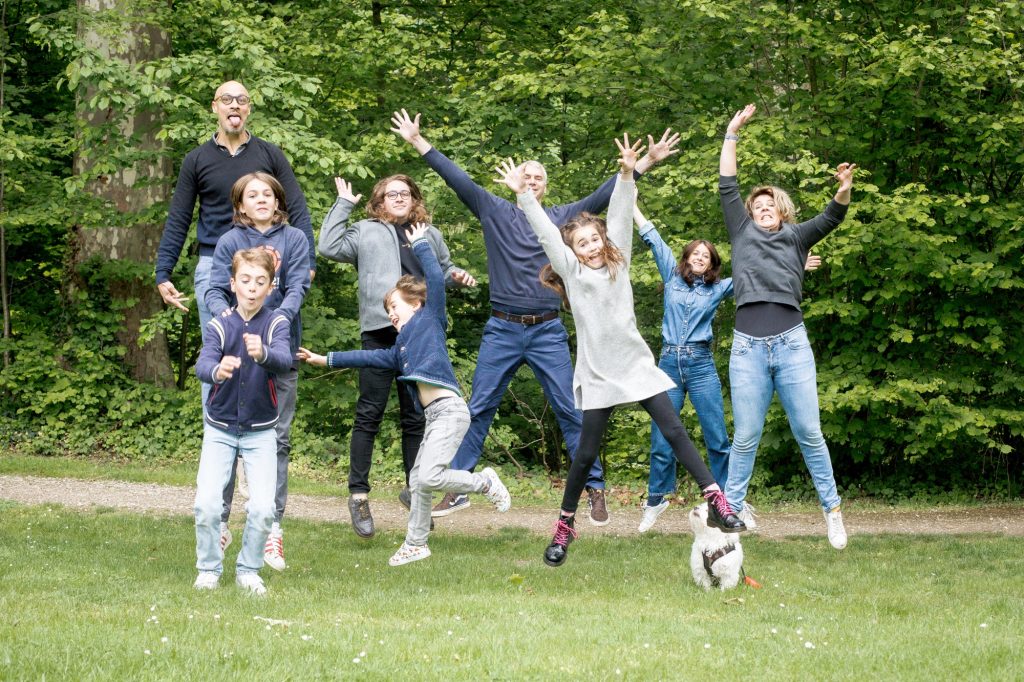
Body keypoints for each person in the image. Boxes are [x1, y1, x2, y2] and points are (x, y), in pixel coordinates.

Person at [391, 110, 680, 525]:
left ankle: (594, 488)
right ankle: (458, 487)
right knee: (479, 406)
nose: (531, 181)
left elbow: (607, 195)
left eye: (538, 177)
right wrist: (419, 141)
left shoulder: (561, 217)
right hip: (502, 328)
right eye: (525, 176)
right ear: (514, 184)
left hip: (546, 329)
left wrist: (644, 163)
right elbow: (458, 181)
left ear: (545, 186)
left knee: (571, 407)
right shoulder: (493, 210)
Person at [496, 134, 745, 568]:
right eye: (583, 243)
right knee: (586, 454)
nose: (591, 247)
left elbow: (620, 217)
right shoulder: (571, 273)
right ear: (572, 252)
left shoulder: (619, 260)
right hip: (597, 373)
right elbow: (547, 236)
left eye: (595, 240)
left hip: (635, 366)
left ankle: (717, 501)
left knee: (675, 432)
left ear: (604, 242)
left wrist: (628, 172)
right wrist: (524, 199)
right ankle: (564, 526)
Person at [299, 225, 511, 566]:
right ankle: (416, 543)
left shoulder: (430, 320)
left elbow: (437, 281)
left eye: (394, 306)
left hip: (451, 411)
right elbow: (368, 357)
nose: (391, 315)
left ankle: (483, 483)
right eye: (387, 311)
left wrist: (421, 245)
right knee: (418, 480)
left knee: (428, 476)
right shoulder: (400, 348)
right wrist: (325, 359)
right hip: (434, 417)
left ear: (416, 303)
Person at [633, 207, 822, 533]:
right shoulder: (671, 277)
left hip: (701, 365)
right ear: (686, 258)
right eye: (695, 254)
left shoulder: (719, 288)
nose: (700, 258)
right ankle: (656, 498)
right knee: (662, 438)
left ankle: (728, 503)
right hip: (667, 366)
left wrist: (794, 263)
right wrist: (631, 200)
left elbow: (759, 277)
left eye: (706, 256)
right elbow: (653, 238)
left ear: (712, 263)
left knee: (717, 439)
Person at [719, 103, 855, 550]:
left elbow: (832, 217)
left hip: (791, 343)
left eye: (768, 205)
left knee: (809, 433)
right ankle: (732, 515)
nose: (760, 209)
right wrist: (731, 134)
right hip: (747, 347)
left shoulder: (797, 238)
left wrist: (844, 188)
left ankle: (832, 512)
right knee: (746, 438)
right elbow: (727, 185)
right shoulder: (741, 233)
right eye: (755, 206)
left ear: (782, 211)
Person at [318, 175, 475, 539]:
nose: (400, 198)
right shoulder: (365, 231)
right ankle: (358, 495)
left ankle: (414, 492)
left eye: (406, 193)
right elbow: (327, 246)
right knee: (369, 413)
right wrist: (343, 204)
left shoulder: (428, 233)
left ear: (414, 198)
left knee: (415, 419)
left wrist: (457, 277)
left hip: (420, 336)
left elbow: (443, 269)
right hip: (378, 330)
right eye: (392, 194)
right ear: (380, 201)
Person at [205, 172, 312, 571]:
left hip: (278, 351)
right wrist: (230, 322)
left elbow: (299, 286)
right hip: (233, 355)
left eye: (267, 193)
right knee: (227, 437)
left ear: (277, 199)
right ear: (241, 205)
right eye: (252, 195)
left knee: (277, 439)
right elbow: (215, 289)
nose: (261, 199)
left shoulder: (295, 239)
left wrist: (276, 321)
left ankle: (272, 531)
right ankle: (219, 522)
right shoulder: (230, 240)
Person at [192, 248, 293, 596]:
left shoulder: (277, 322)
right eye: (245, 281)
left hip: (261, 432)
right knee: (206, 505)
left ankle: (248, 570)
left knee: (264, 509)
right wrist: (217, 370)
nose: (252, 288)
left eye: (260, 282)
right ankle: (208, 569)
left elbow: (282, 359)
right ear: (233, 283)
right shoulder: (219, 324)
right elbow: (202, 364)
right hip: (219, 429)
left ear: (270, 287)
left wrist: (261, 353)